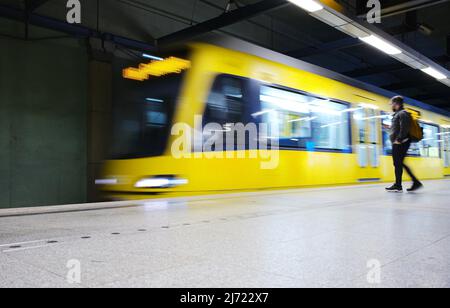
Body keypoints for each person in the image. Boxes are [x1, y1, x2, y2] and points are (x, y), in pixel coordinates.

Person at [386, 96, 423, 193]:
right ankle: (399, 185)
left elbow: (404, 128)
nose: (391, 106)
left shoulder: (403, 113)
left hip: (401, 142)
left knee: (399, 163)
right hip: (399, 142)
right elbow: (398, 128)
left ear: (396, 103)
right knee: (398, 163)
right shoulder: (398, 114)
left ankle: (411, 183)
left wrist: (399, 139)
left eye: (392, 104)